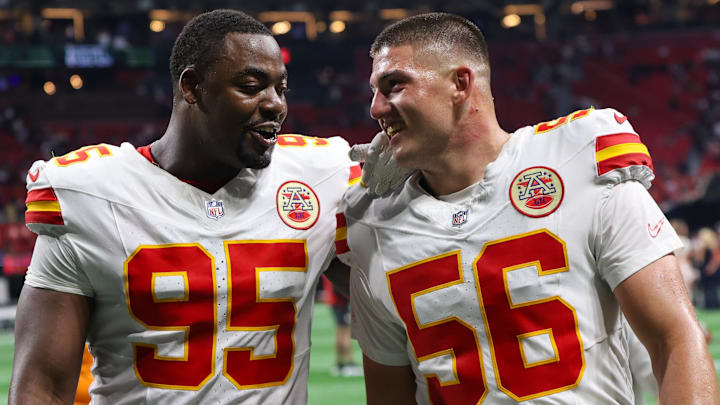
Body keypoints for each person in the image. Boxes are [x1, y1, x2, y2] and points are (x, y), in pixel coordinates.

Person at [339, 12, 719, 404]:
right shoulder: (372, 221)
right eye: (375, 90)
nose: (376, 108)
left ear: (460, 83)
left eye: (394, 85)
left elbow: (674, 340)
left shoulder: (578, 161)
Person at [9, 9, 360, 404]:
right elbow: (42, 387)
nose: (275, 104)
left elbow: (391, 308)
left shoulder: (320, 175)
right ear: (192, 87)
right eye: (251, 86)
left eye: (281, 88)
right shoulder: (89, 193)